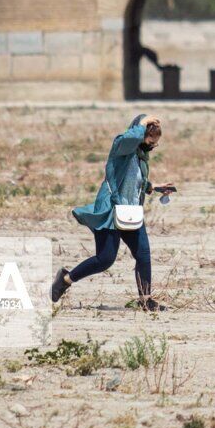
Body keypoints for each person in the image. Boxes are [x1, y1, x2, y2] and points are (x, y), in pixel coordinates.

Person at [51, 114, 175, 311]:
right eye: (150, 142)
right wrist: (143, 124)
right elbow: (129, 140)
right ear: (140, 133)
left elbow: (133, 181)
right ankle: (65, 279)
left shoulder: (140, 156)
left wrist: (154, 187)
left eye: (155, 144)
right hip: (111, 211)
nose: (152, 146)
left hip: (131, 211)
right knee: (105, 259)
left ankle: (146, 300)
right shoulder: (121, 146)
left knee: (143, 254)